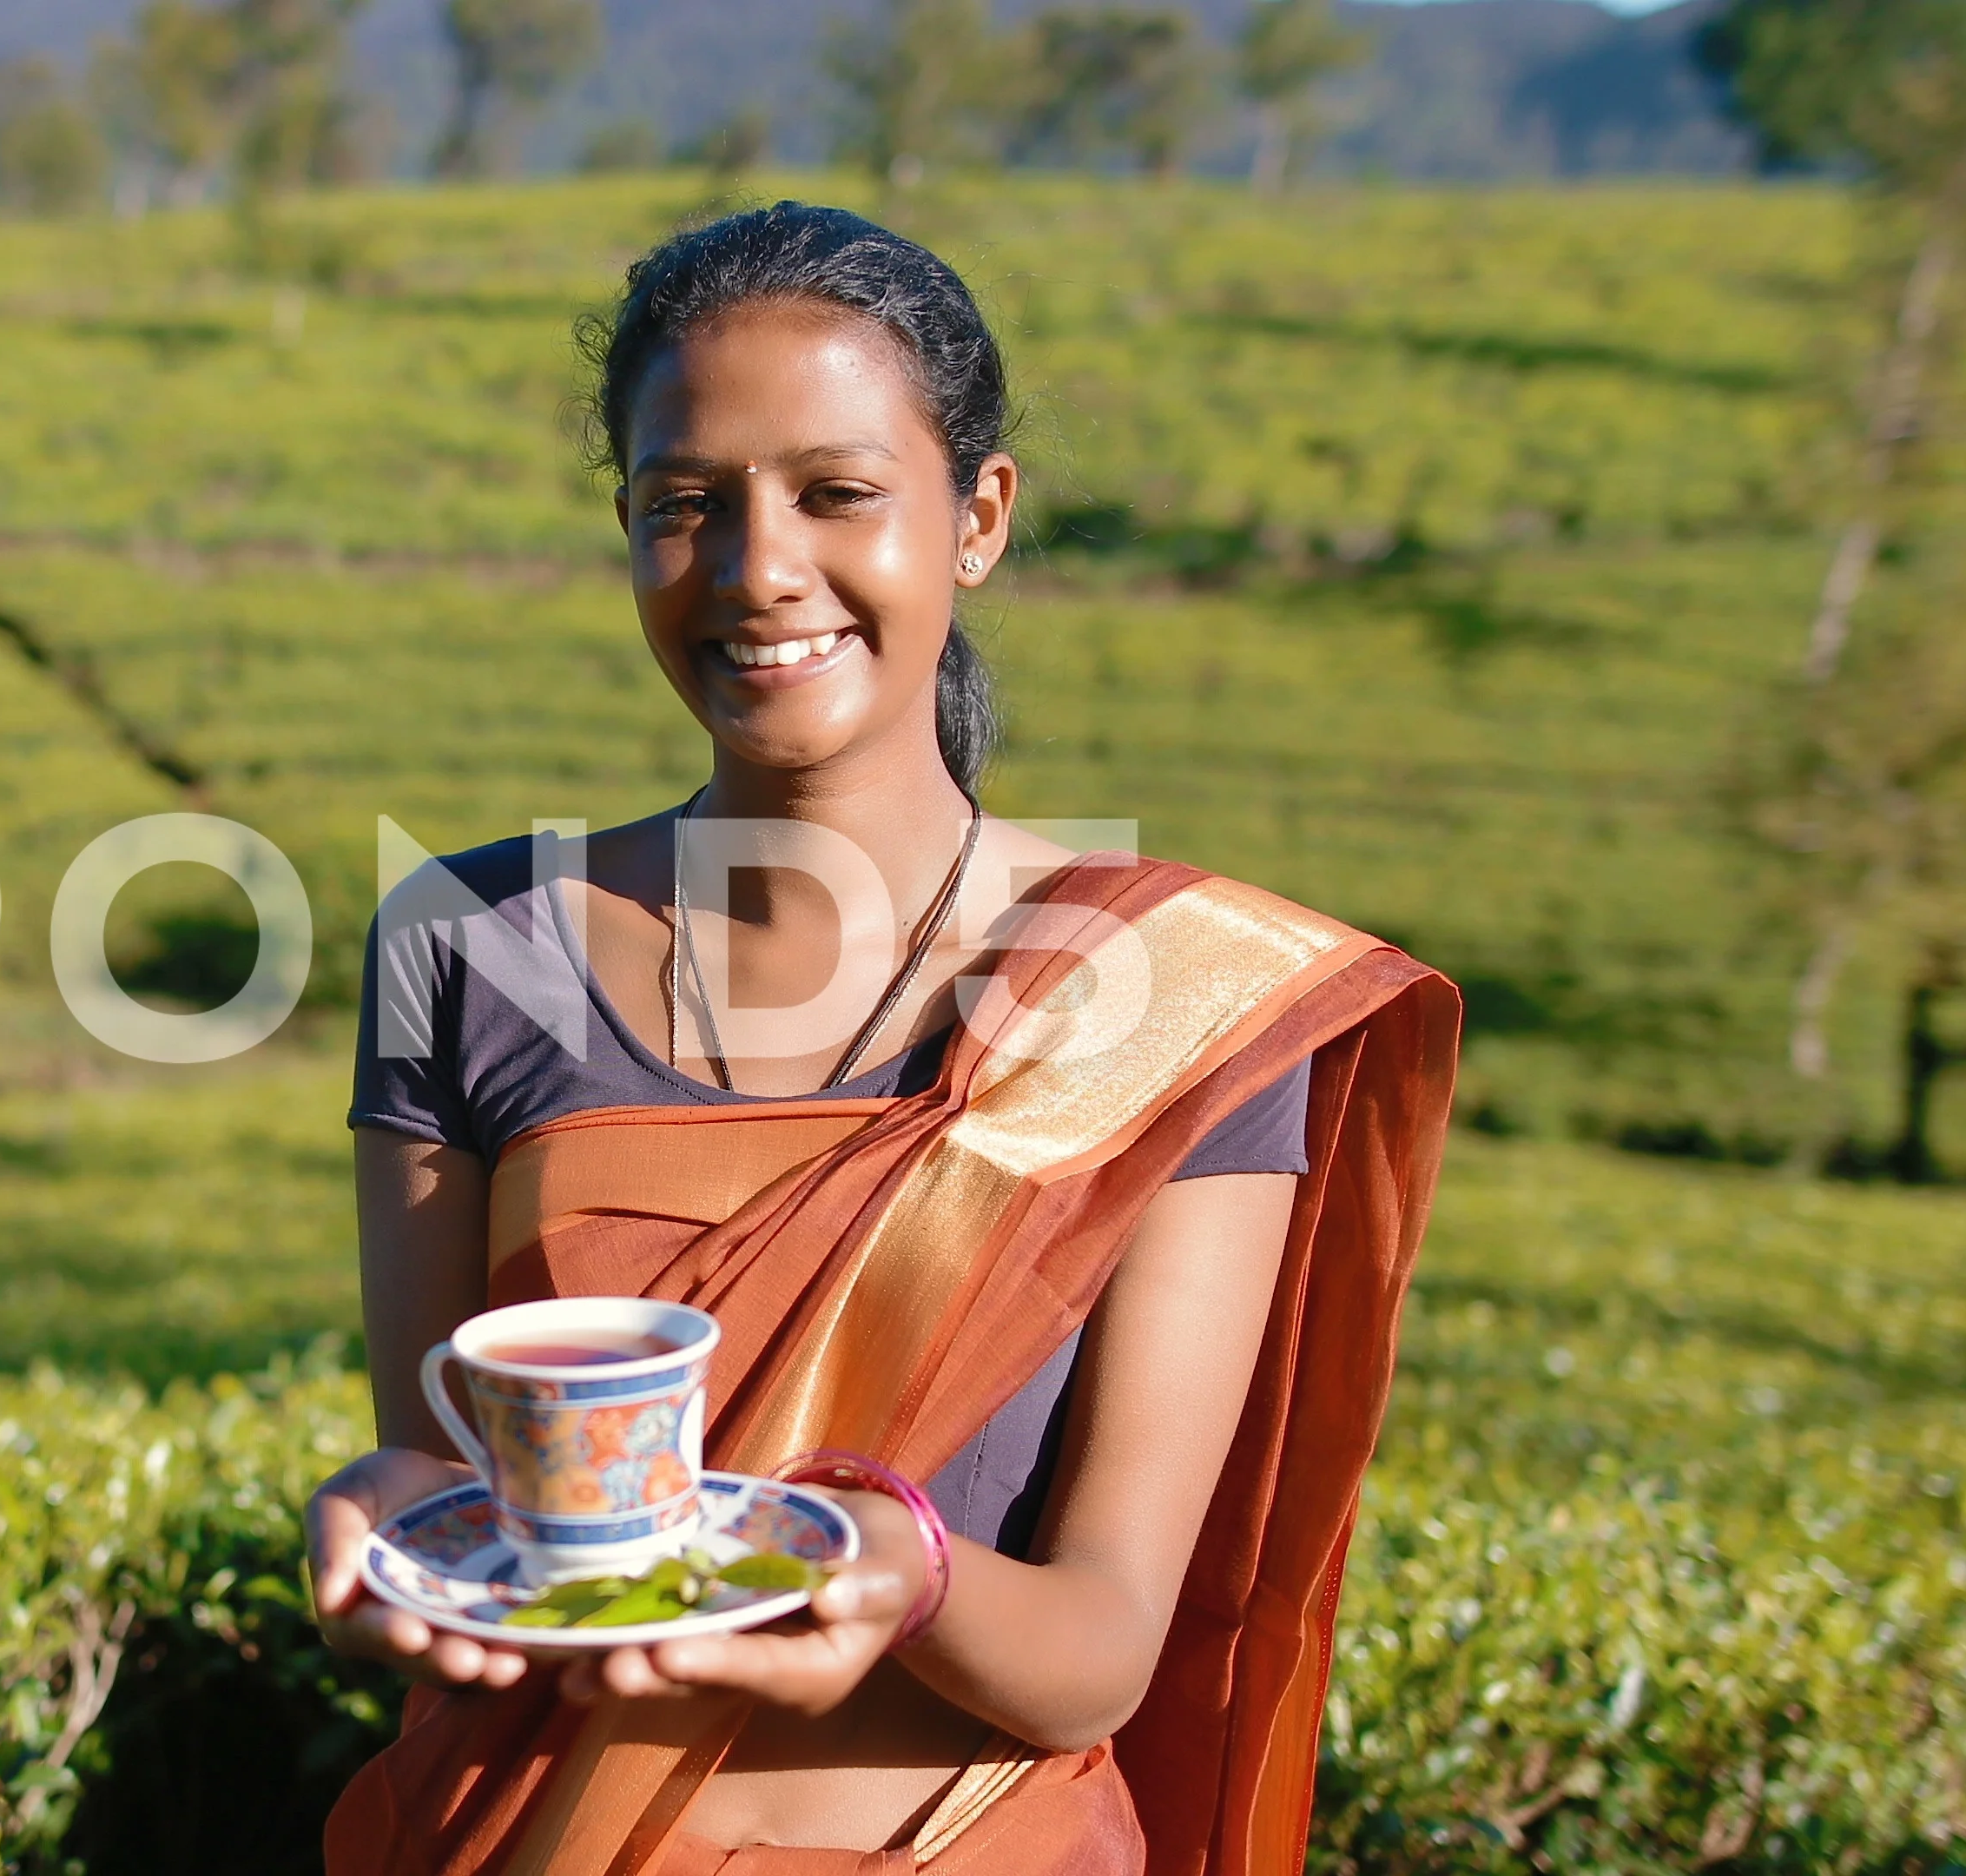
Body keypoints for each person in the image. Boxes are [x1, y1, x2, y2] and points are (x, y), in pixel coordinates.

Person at [302, 202, 1459, 1875]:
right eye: (683, 505)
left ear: (978, 516)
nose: (758, 568)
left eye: (837, 493)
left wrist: (898, 1564)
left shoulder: (1176, 995)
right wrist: (375, 1537)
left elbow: (1100, 1647)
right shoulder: (464, 947)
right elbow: (449, 1482)